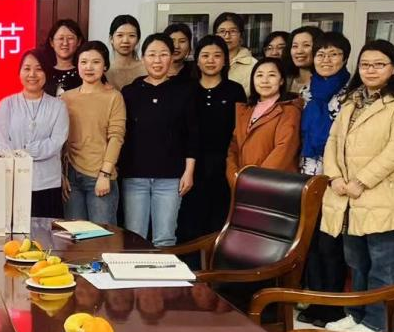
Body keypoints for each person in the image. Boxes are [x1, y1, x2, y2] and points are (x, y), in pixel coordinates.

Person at [321, 40, 394, 332]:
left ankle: (378, 323)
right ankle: (356, 315)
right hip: (347, 195)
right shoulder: (352, 100)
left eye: (379, 65)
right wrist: (334, 176)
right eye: (365, 65)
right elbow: (333, 141)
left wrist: (361, 180)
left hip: (382, 194)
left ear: (393, 69)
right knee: (356, 261)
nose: (371, 70)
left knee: (383, 262)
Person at [296, 31, 353, 325]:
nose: (326, 60)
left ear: (345, 58)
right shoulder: (308, 91)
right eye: (321, 54)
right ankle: (315, 303)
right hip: (308, 174)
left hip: (337, 176)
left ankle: (333, 306)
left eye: (333, 54)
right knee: (312, 242)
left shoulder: (352, 92)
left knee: (332, 243)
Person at [119, 33, 196, 247]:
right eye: (152, 54)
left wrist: (189, 171)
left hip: (171, 177)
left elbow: (192, 134)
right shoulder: (130, 92)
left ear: (171, 57)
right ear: (143, 58)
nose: (157, 60)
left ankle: (163, 271)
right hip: (134, 176)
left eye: (163, 54)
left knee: (165, 237)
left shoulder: (184, 91)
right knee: (135, 237)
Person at [176, 36, 246, 242]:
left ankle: (215, 262)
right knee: (189, 222)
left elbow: (240, 132)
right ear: (197, 60)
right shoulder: (186, 89)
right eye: (205, 55)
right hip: (190, 165)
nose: (211, 60)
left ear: (225, 60)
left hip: (223, 165)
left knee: (219, 222)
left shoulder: (235, 90)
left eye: (217, 56)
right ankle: (190, 261)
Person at [0, 50, 71, 219]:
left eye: (39, 69)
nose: (32, 74)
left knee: (47, 233)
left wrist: (25, 151)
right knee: (15, 233)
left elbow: (56, 142)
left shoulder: (58, 106)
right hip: (15, 182)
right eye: (27, 68)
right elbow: (2, 144)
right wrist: (21, 156)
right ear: (19, 72)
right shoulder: (6, 105)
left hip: (48, 184)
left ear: (46, 73)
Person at [61, 41, 126, 225]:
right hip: (71, 177)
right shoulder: (66, 98)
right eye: (84, 62)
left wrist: (105, 174)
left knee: (102, 236)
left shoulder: (114, 96)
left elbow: (116, 137)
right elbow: (61, 139)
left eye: (96, 62)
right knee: (74, 235)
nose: (89, 67)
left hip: (100, 175)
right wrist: (62, 175)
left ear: (105, 66)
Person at [225, 58, 301, 182]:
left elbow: (284, 150)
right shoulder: (246, 110)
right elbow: (234, 148)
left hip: (272, 183)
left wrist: (256, 180)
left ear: (282, 81)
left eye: (272, 75)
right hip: (243, 183)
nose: (264, 80)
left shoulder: (289, 110)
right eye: (259, 75)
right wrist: (234, 177)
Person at [39, 18, 84, 96]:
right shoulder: (42, 73)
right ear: (51, 42)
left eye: (70, 38)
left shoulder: (85, 73)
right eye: (61, 38)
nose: (65, 43)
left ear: (78, 41)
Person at [215, 12, 256, 91]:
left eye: (233, 31)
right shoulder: (208, 61)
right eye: (222, 31)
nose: (227, 36)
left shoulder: (253, 65)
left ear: (241, 35)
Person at [105, 14, 144, 91]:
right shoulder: (104, 70)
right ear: (111, 39)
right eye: (120, 35)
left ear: (138, 40)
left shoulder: (146, 69)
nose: (125, 40)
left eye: (131, 35)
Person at [289, 25, 318, 97]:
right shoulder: (285, 80)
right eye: (295, 46)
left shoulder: (326, 82)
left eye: (306, 45)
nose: (299, 51)